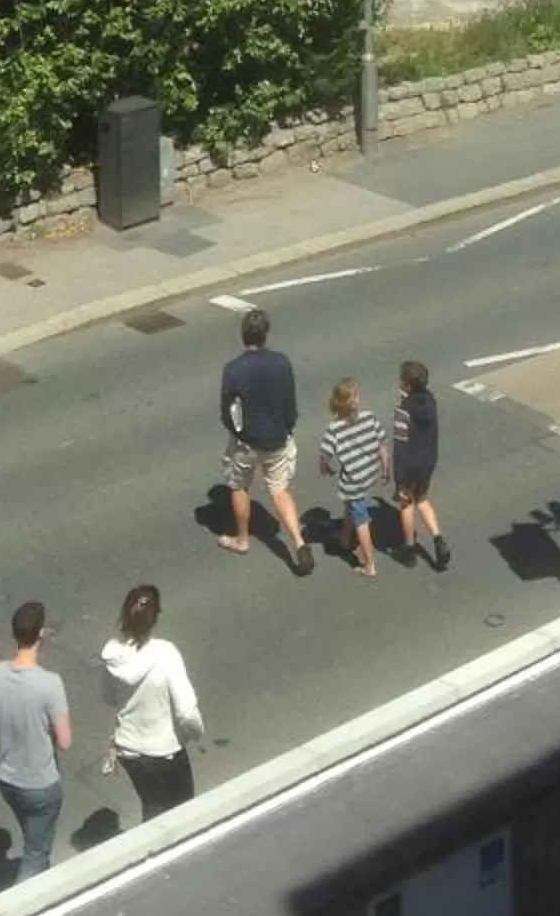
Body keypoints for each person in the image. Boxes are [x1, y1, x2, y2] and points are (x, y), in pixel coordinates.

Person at [0, 598, 71, 880]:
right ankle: (25, 907)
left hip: (8, 780)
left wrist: (6, 730)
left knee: (32, 839)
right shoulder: (50, 683)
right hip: (41, 784)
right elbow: (64, 741)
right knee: (36, 854)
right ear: (41, 634)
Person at [217, 305, 312, 574]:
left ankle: (242, 539)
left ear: (243, 335)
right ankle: (299, 541)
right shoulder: (282, 362)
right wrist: (287, 427)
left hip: (247, 441)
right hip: (277, 439)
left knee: (238, 486)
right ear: (265, 335)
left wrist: (237, 433)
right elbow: (289, 404)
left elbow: (226, 410)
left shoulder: (233, 370)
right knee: (279, 489)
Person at [99, 583, 205, 822]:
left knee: (152, 805)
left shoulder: (112, 656)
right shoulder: (166, 653)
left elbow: (109, 698)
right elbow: (186, 712)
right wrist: (195, 733)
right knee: (184, 812)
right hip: (165, 750)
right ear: (155, 618)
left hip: (130, 749)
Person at [319, 375, 389, 575]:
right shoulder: (370, 417)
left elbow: (325, 456)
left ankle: (369, 564)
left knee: (361, 518)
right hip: (369, 474)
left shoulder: (334, 429)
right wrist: (385, 470)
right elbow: (383, 446)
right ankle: (344, 536)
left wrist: (325, 468)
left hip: (353, 481)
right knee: (352, 504)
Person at [391, 358, 451, 571]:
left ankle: (409, 549)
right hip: (428, 461)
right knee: (422, 499)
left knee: (406, 503)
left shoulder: (404, 410)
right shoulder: (430, 401)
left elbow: (400, 447)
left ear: (407, 385)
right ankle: (438, 539)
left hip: (410, 466)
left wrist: (399, 482)